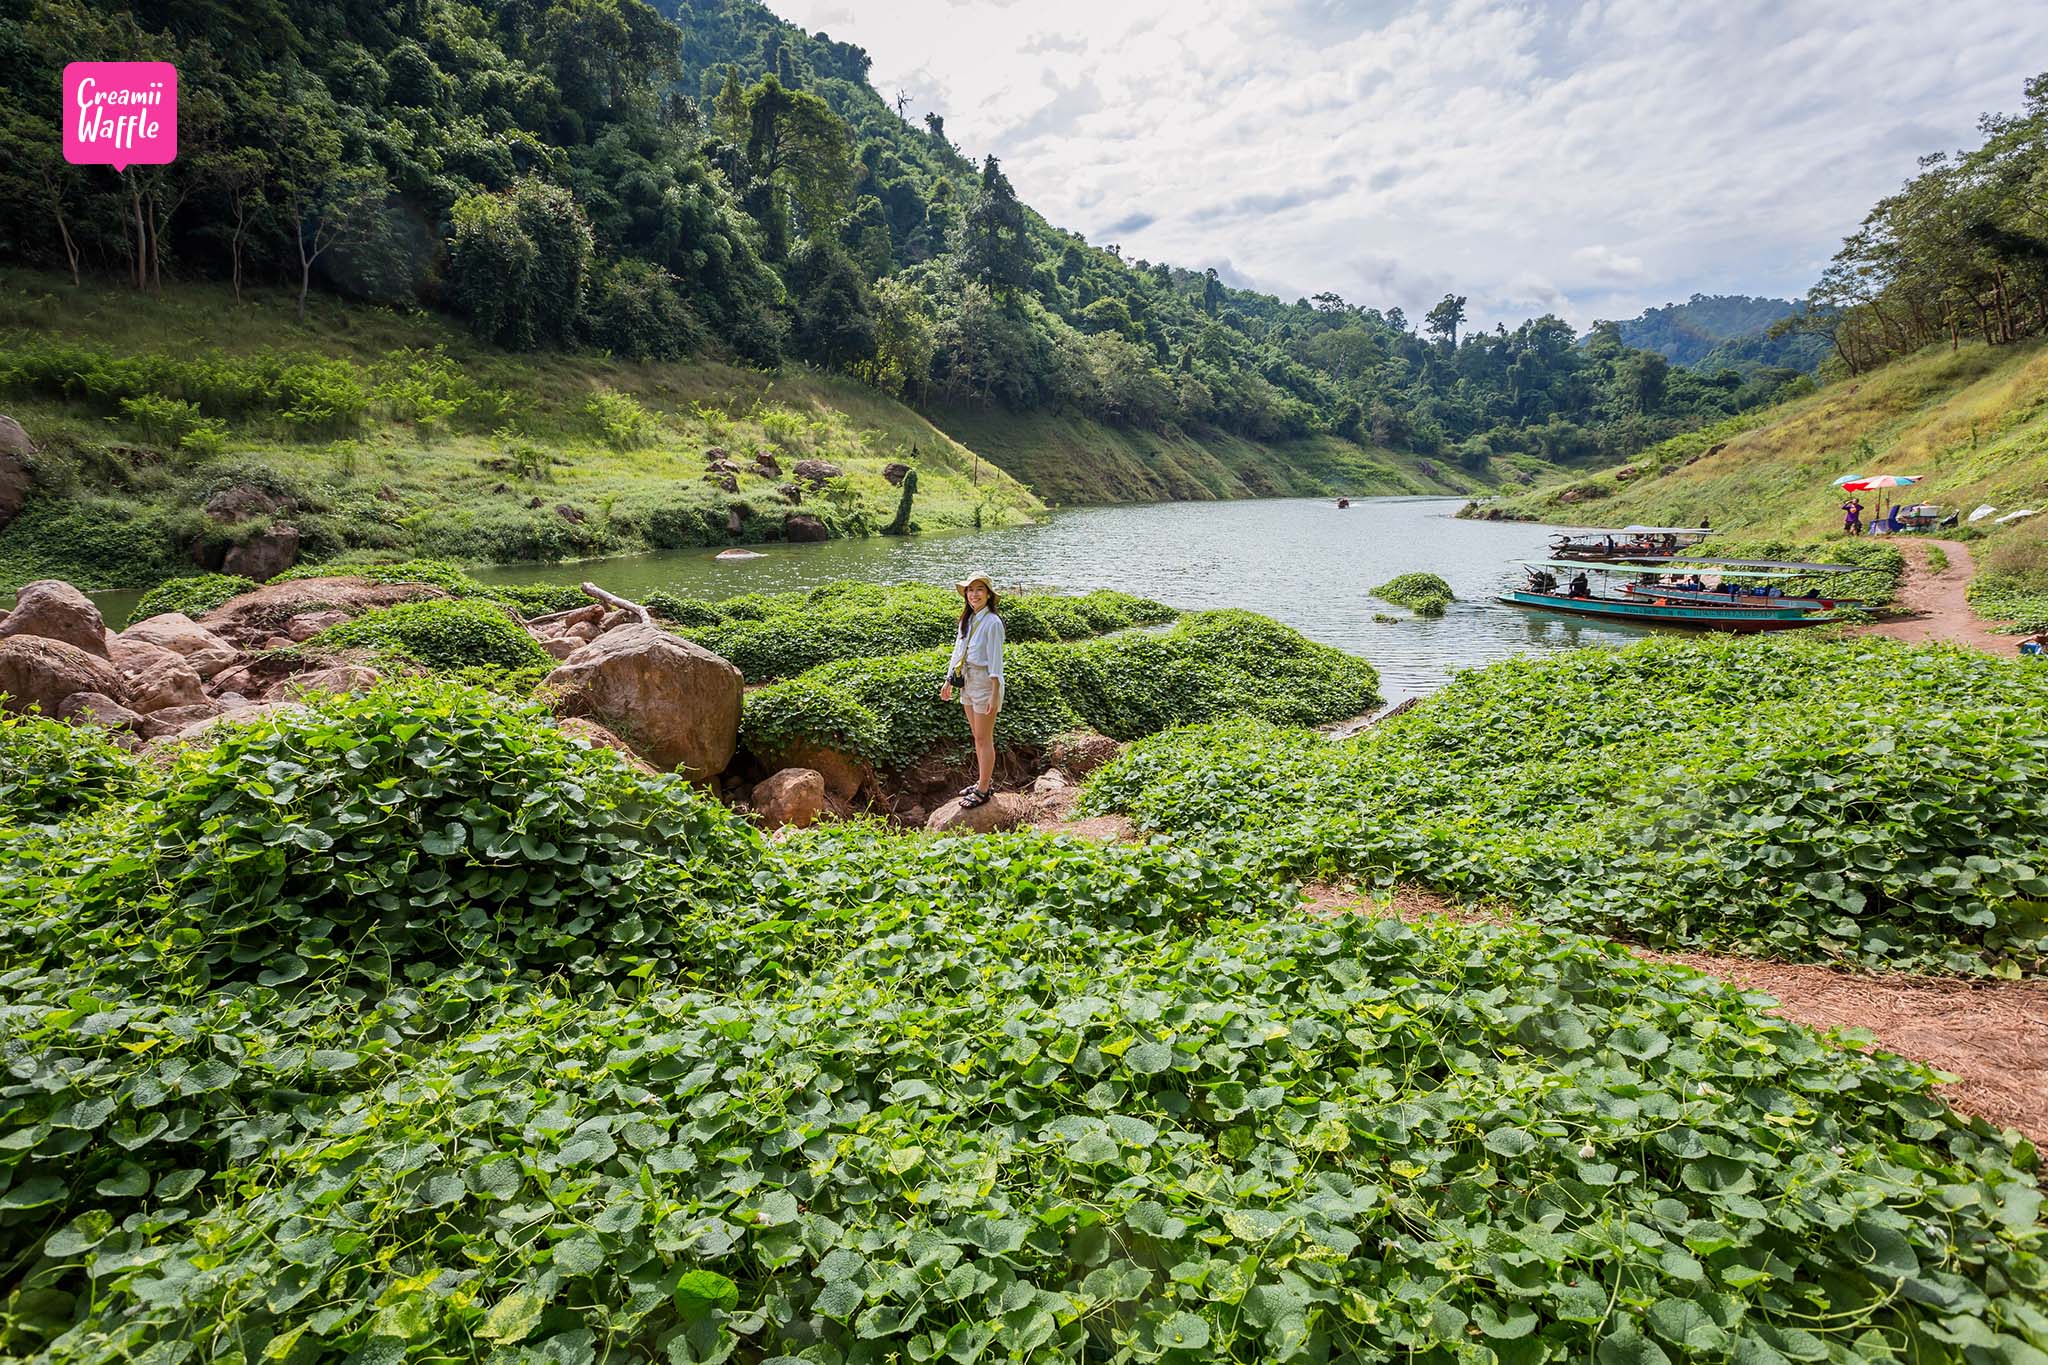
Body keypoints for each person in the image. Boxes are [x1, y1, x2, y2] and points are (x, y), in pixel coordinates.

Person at [939, 571, 1006, 808]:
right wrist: (948, 680)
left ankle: (984, 788)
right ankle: (981, 781)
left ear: (988, 594)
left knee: (983, 737)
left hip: (986, 683)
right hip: (966, 681)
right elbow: (957, 652)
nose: (974, 594)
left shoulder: (993, 623)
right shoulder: (967, 619)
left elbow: (996, 661)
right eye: (970, 590)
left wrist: (995, 693)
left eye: (979, 590)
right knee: (976, 736)